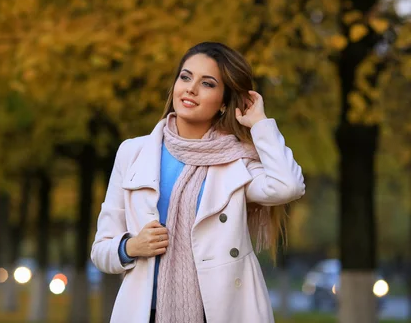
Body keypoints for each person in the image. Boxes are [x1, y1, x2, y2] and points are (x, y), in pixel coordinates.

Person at [91, 42, 306, 323]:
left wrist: (261, 123)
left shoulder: (236, 161)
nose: (191, 88)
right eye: (185, 77)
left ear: (225, 102)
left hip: (219, 313)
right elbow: (100, 250)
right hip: (146, 314)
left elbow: (288, 185)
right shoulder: (134, 153)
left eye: (207, 83)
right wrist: (131, 247)